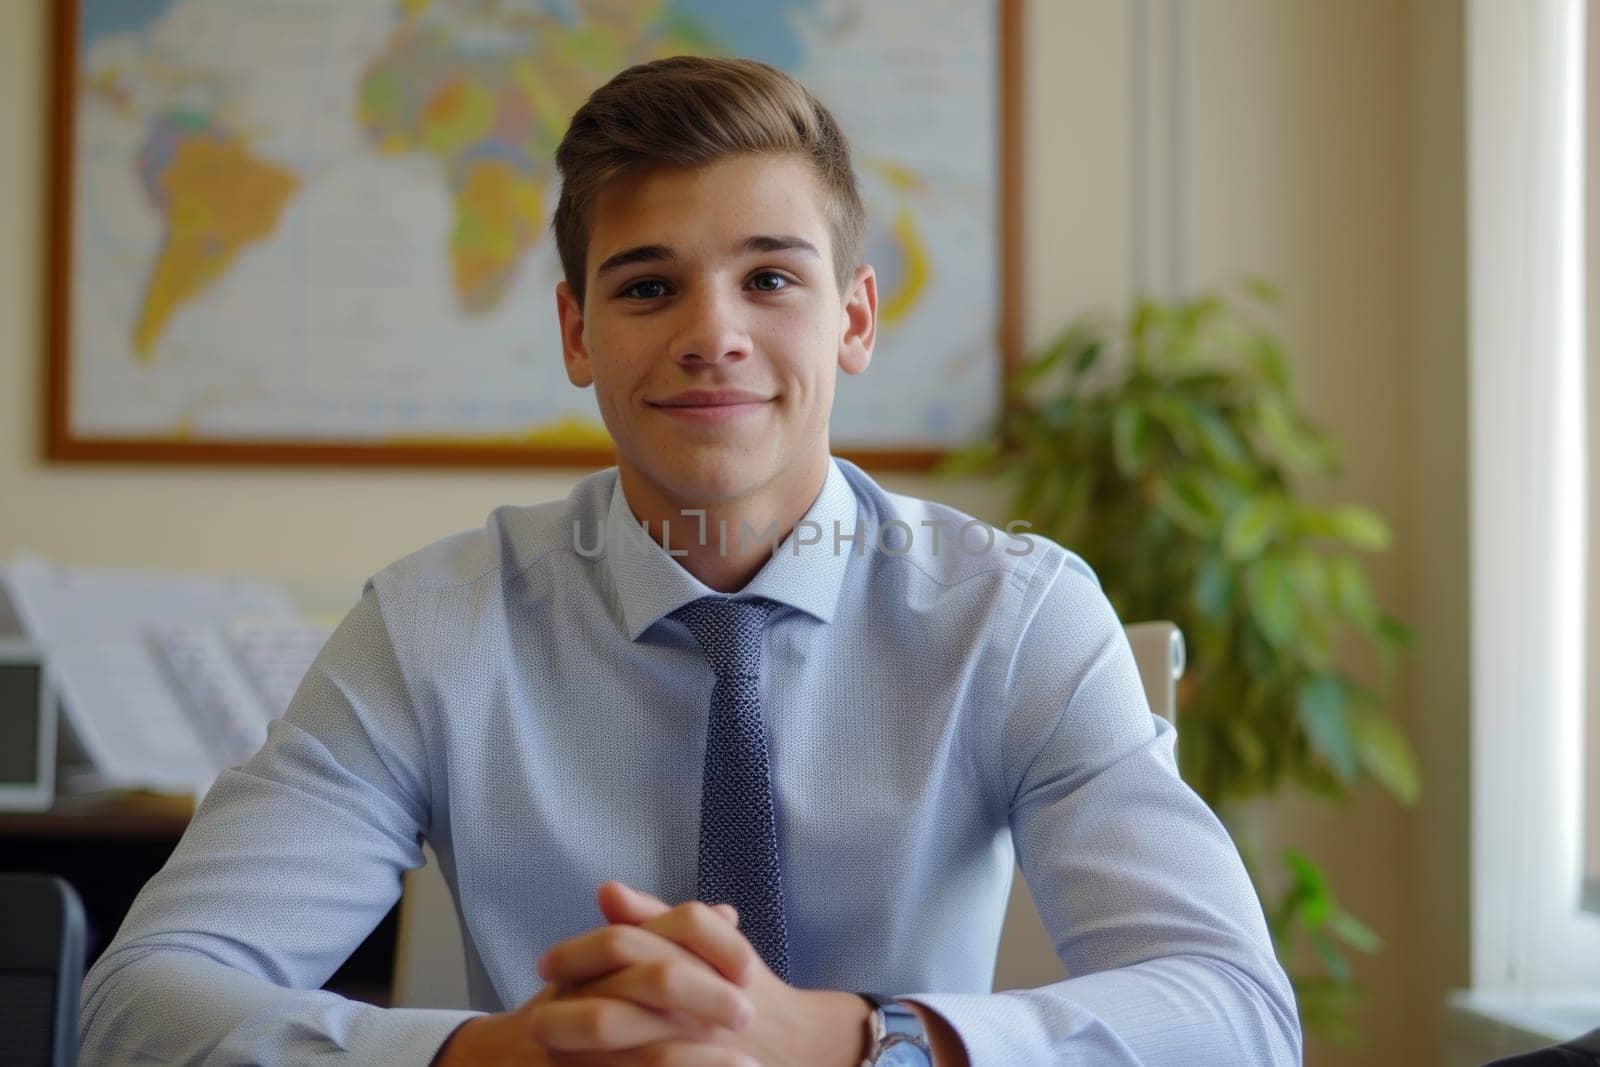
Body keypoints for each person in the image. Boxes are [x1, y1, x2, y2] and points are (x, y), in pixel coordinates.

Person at [79, 56, 1302, 1065]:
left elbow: (1235, 1013)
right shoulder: (431, 624)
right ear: (575, 332)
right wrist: (503, 1054)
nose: (712, 333)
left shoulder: (1016, 616)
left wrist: (843, 1039)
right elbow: (142, 1001)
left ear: (855, 318)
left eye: (770, 276)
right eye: (649, 285)